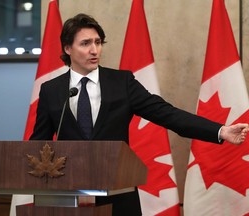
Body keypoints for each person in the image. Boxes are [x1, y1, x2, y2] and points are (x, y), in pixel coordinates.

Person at [30, 13, 249, 216]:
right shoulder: (52, 90)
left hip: (118, 195)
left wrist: (220, 131)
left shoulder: (121, 83)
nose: (94, 50)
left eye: (97, 42)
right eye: (85, 44)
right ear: (68, 48)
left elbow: (168, 114)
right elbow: (38, 145)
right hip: (68, 197)